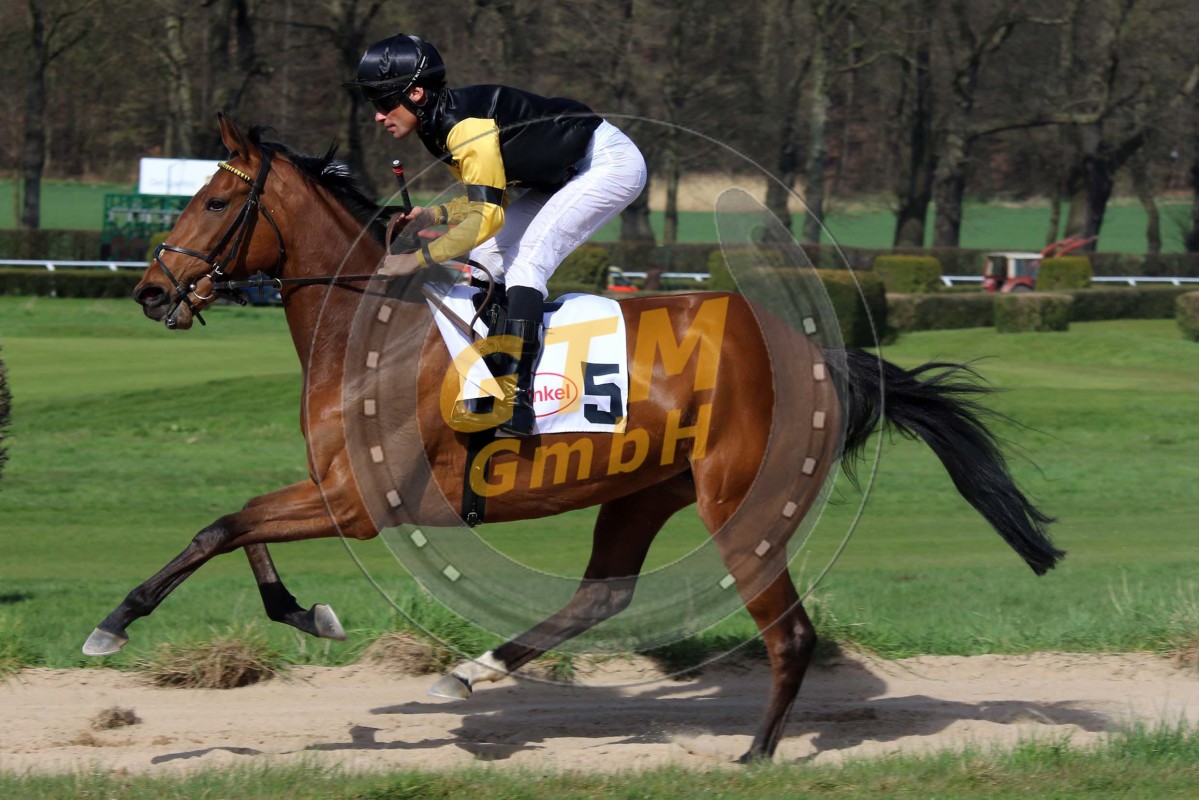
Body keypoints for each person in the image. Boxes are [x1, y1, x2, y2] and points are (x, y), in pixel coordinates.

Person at [345, 33, 647, 437]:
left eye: (384, 103)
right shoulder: (436, 128)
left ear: (416, 93)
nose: (378, 116)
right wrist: (433, 214)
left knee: (527, 263)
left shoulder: (464, 128)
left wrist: (417, 259)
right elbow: (492, 201)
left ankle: (517, 399)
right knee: (485, 259)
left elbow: (487, 217)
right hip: (561, 175)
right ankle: (490, 368)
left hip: (607, 163)